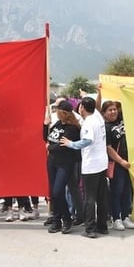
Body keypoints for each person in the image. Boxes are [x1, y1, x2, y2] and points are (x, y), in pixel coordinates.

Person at [60, 96, 109, 238]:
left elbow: (87, 140)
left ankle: (90, 229)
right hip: (102, 162)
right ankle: (102, 226)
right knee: (102, 196)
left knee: (89, 198)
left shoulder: (88, 123)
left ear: (82, 108)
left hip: (91, 165)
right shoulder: (98, 117)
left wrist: (71, 144)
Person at [44, 100, 81, 234]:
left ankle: (66, 218)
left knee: (58, 191)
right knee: (53, 194)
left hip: (64, 163)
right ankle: (57, 220)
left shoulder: (72, 128)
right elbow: (47, 138)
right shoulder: (58, 124)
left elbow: (62, 146)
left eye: (57, 110)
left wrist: (50, 147)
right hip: (52, 162)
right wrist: (45, 124)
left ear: (62, 112)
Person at [101, 99, 134, 231]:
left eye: (114, 109)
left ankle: (125, 216)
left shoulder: (121, 119)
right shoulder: (105, 127)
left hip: (130, 162)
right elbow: (108, 148)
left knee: (127, 191)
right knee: (117, 191)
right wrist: (121, 161)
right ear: (104, 113)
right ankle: (116, 218)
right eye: (110, 110)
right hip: (117, 164)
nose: (113, 112)